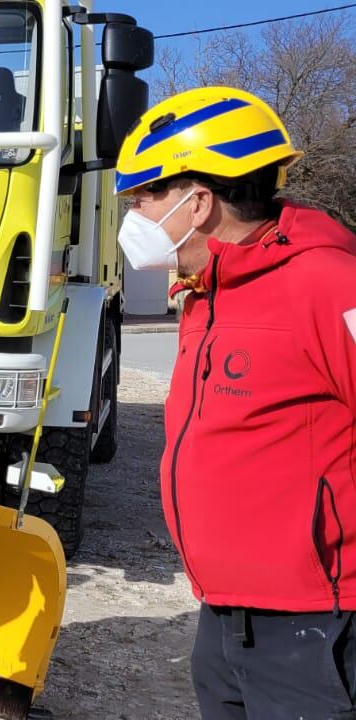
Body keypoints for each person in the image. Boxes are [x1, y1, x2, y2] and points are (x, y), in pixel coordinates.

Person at [115, 86, 356, 718]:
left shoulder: (328, 284)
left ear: (197, 202)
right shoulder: (205, 291)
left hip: (315, 627)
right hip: (223, 616)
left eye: (143, 198)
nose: (132, 216)